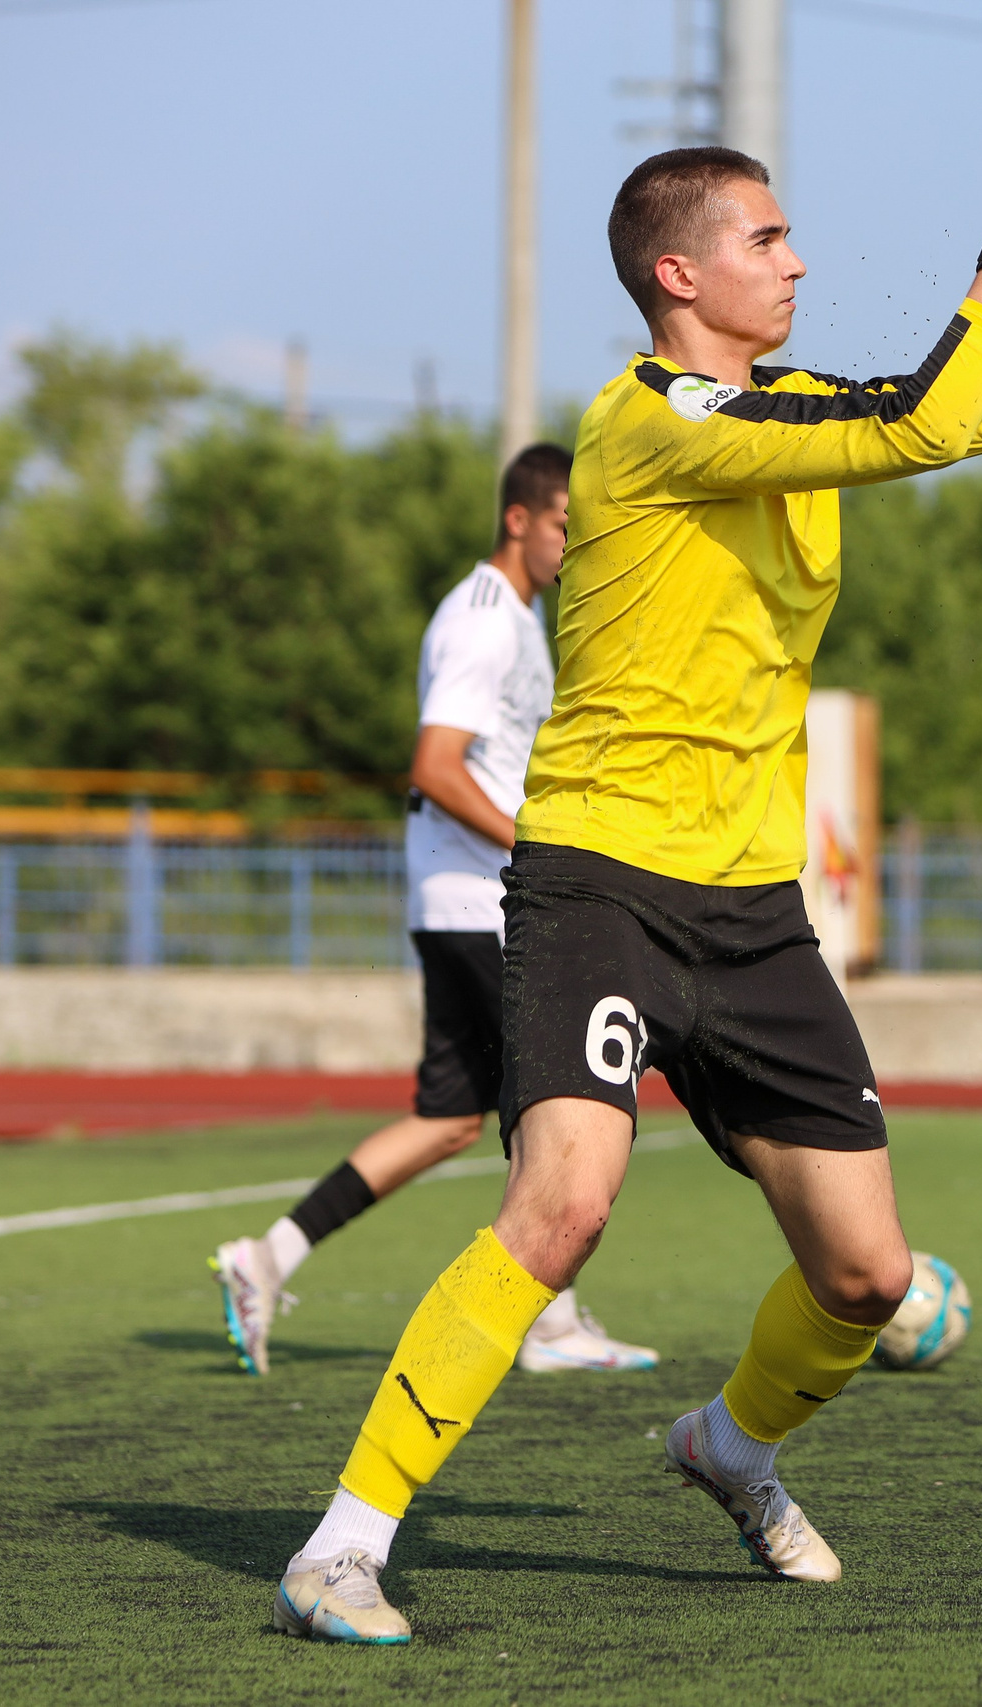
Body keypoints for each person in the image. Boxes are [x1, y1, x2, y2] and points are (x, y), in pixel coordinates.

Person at [268, 13, 982, 1645]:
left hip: (751, 907)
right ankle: (341, 1543)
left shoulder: (785, 405)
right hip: (601, 877)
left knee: (871, 1279)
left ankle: (729, 1448)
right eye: (767, 235)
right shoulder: (652, 421)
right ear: (681, 274)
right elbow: (927, 416)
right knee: (565, 1201)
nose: (797, 257)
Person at [211, 443, 658, 1381]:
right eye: (565, 524)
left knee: (452, 1117)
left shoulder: (522, 622)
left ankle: (269, 1257)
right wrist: (530, 850)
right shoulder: (485, 619)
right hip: (483, 903)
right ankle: (551, 1319)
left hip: (460, 901)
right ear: (518, 519)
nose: (575, 542)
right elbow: (435, 765)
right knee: (562, 1104)